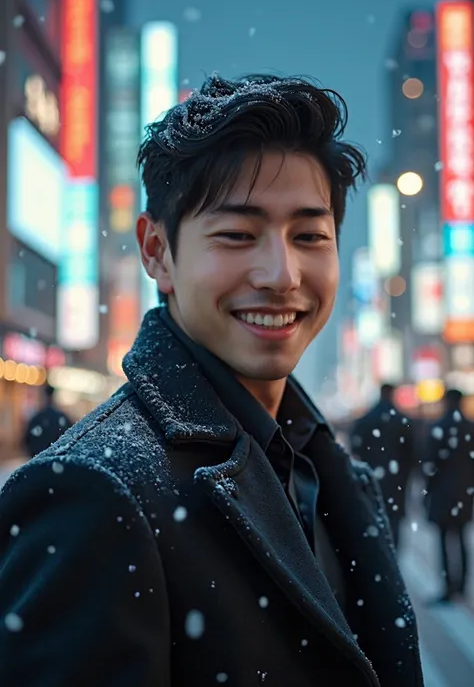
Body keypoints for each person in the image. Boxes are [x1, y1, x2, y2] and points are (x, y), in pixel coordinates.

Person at [0, 74, 423, 687]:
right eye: (236, 235)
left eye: (309, 236)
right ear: (157, 252)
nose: (281, 274)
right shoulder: (94, 491)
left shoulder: (328, 470)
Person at [423, 389, 474, 603]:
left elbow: (430, 463)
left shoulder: (439, 427)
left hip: (443, 492)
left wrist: (427, 490)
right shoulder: (470, 428)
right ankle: (461, 585)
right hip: (464, 492)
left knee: (444, 540)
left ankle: (447, 586)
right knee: (461, 537)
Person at [350, 384, 415, 549]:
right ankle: (393, 554)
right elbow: (412, 454)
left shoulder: (367, 418)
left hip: (372, 477)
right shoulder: (401, 420)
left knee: (374, 516)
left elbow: (355, 448)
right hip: (397, 480)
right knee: (394, 521)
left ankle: (379, 554)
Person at [22, 384, 73, 459]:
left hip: (39, 460)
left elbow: (27, 440)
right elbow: (71, 437)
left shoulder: (37, 418)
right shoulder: (62, 417)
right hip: (58, 460)